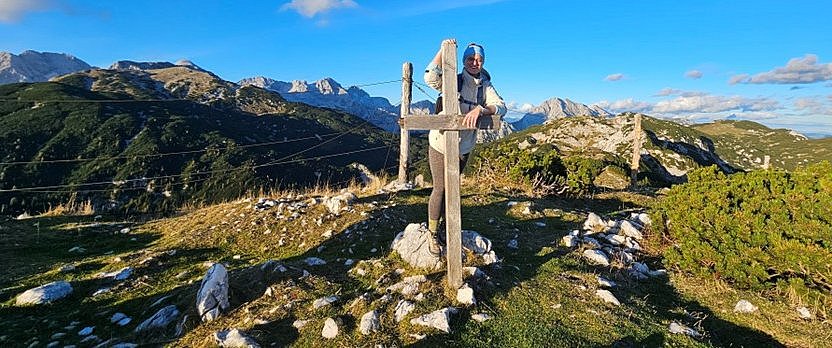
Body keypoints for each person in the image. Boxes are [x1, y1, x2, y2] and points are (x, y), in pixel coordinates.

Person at [424, 39, 506, 254]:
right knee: (441, 188)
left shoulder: (486, 86)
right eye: (470, 58)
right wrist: (443, 50)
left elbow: (501, 107)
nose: (475, 63)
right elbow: (430, 75)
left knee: (453, 188)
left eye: (479, 60)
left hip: (463, 147)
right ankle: (433, 233)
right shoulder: (453, 80)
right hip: (440, 143)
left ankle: (447, 230)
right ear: (463, 60)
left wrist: (481, 109)